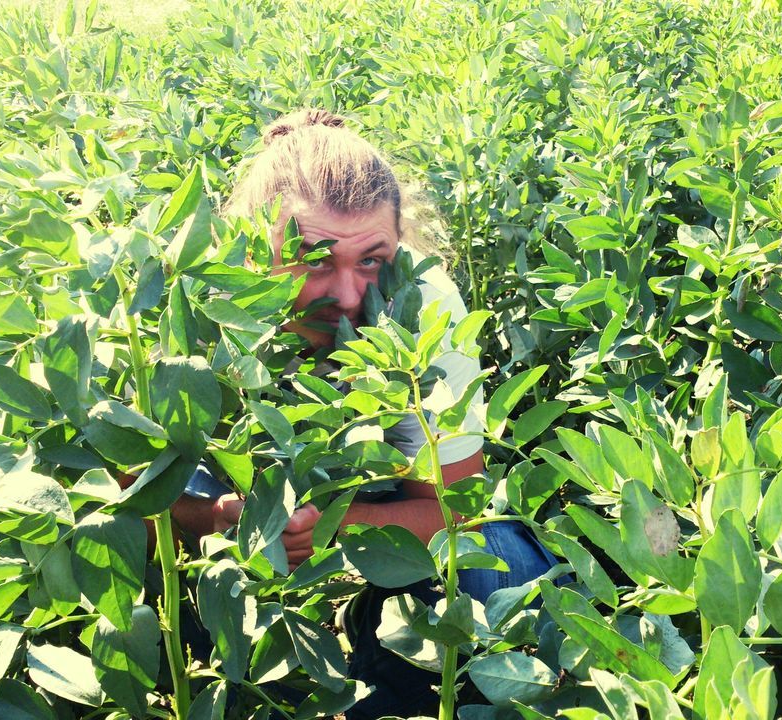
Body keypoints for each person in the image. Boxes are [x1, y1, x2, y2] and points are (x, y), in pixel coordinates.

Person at [168, 108, 559, 719]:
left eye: (371, 260)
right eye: (313, 258)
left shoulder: (425, 307)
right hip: (228, 502)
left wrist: (330, 526)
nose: (349, 295)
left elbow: (453, 510)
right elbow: (116, 496)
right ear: (253, 245)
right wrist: (214, 519)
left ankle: (382, 642)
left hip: (368, 504)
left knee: (505, 575)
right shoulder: (194, 298)